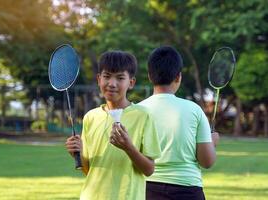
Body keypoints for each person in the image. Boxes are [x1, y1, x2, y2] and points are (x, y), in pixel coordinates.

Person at [66, 50, 161, 200]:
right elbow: (89, 170)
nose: (112, 84)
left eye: (120, 78)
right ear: (99, 79)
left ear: (131, 82)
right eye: (107, 76)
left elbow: (149, 169)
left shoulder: (143, 116)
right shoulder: (90, 117)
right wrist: (77, 154)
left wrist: (129, 147)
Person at [139, 46, 220, 200]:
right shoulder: (194, 110)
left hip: (146, 189)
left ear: (150, 76)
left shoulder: (137, 110)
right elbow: (207, 161)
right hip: (188, 190)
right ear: (178, 77)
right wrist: (211, 143)